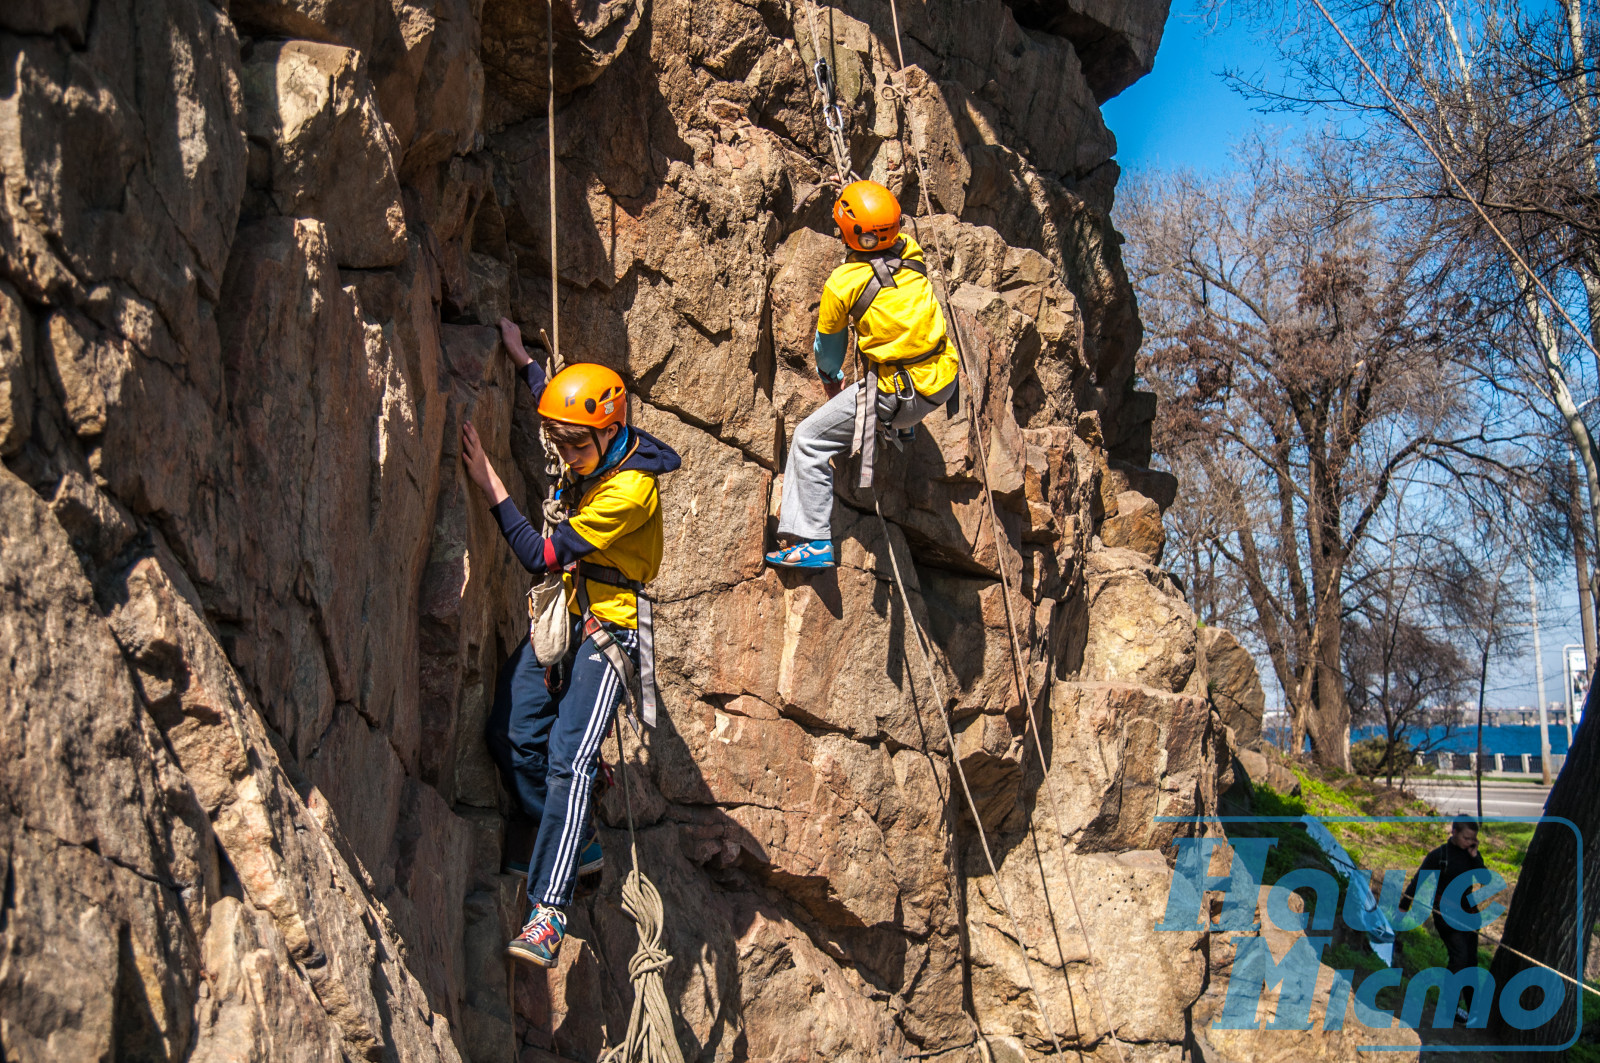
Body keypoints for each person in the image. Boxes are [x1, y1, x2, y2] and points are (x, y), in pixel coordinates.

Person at [461, 317, 680, 968]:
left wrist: (490, 481)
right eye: (558, 439)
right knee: (510, 732)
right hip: (571, 610)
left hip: (609, 629)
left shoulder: (627, 491)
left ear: (607, 436)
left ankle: (548, 911)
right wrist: (526, 361)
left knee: (568, 757)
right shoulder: (588, 439)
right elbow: (557, 406)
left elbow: (539, 552)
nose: (560, 450)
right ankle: (576, 832)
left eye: (571, 443)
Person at [765, 180, 960, 570]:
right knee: (897, 370)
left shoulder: (843, 284)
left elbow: (829, 353)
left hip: (900, 397)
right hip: (944, 380)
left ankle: (813, 540)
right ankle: (902, 427)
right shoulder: (912, 251)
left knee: (808, 440)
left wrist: (832, 384)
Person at [1400, 818, 1490, 1024]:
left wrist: (1475, 857)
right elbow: (1418, 880)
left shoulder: (1472, 855)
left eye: (1473, 839)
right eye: (1466, 837)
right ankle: (1450, 1007)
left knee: (1471, 962)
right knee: (1459, 958)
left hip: (1468, 914)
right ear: (1454, 832)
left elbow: (1485, 879)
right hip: (1445, 914)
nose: (1470, 842)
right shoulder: (1439, 856)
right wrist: (1403, 905)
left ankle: (1474, 1010)